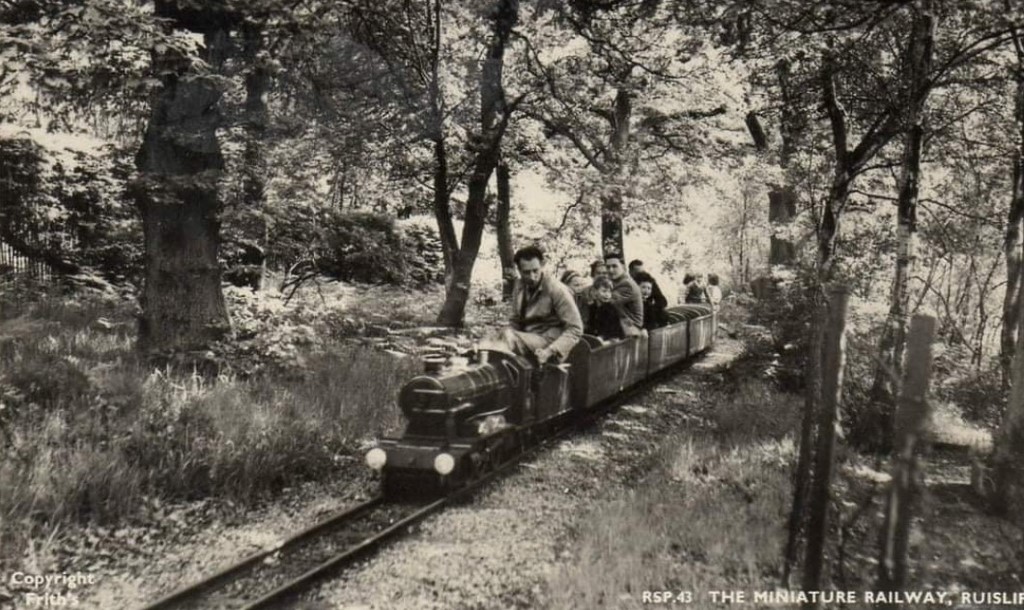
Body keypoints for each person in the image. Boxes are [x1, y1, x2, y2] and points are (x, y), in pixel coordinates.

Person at [480, 245, 583, 364]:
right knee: (486, 341)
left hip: (549, 342)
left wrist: (550, 351)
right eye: (526, 272)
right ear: (519, 270)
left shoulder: (557, 290)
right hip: (527, 337)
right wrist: (496, 337)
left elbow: (575, 329)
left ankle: (494, 371)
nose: (532, 277)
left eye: (535, 271)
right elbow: (515, 321)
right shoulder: (519, 287)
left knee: (507, 338)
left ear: (542, 265)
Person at [604, 253, 644, 337]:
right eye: (608, 267)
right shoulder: (616, 282)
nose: (610, 270)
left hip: (630, 329)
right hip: (623, 326)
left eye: (614, 266)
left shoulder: (626, 284)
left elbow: (606, 301)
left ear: (623, 267)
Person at [585, 276, 626, 341]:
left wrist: (602, 337)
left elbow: (612, 329)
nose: (607, 295)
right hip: (598, 336)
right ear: (595, 291)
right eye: (604, 291)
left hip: (612, 337)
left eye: (609, 292)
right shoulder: (592, 307)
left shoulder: (611, 309)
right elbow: (591, 325)